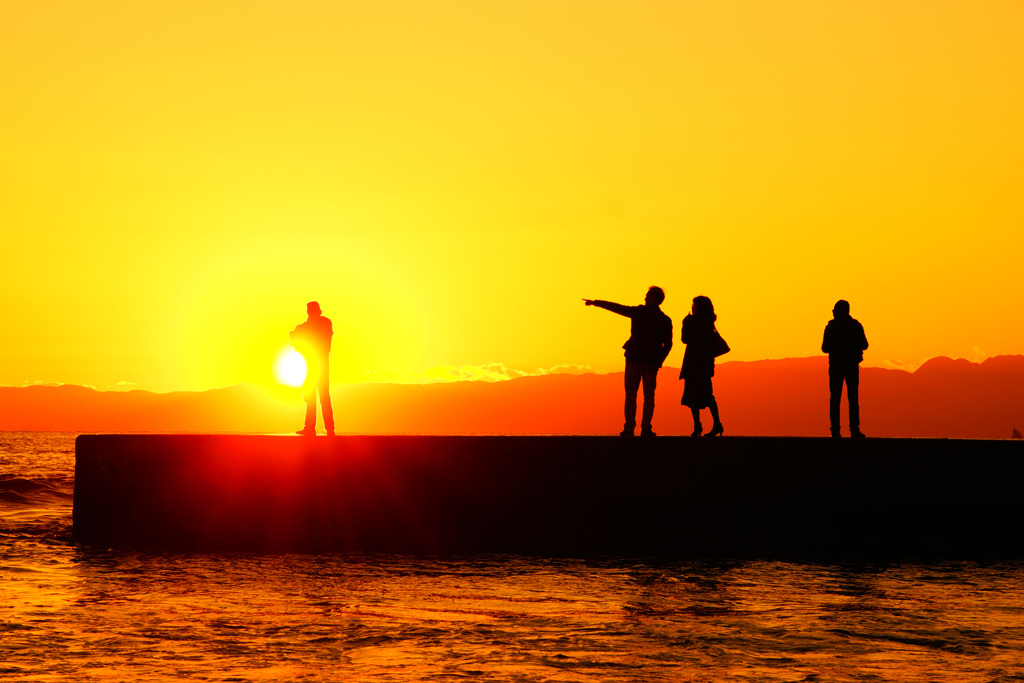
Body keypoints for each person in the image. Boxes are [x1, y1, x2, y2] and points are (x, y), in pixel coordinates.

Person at [584, 287, 673, 436]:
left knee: (631, 395)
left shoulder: (639, 312)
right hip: (651, 362)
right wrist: (659, 360)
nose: (644, 298)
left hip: (634, 359)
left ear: (653, 298)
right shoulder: (664, 320)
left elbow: (618, 308)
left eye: (647, 296)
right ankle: (646, 428)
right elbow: (668, 344)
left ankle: (629, 427)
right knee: (649, 396)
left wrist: (596, 303)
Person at [680, 296, 726, 437]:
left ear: (699, 307)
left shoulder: (693, 322)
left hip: (693, 363)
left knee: (692, 396)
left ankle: (697, 426)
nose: (692, 307)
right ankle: (716, 424)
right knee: (708, 395)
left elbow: (685, 339)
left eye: (694, 305)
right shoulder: (709, 323)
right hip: (705, 364)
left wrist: (685, 323)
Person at [822, 299, 868, 438]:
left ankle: (835, 431)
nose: (833, 312)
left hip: (836, 366)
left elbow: (824, 348)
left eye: (835, 310)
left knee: (835, 399)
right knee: (852, 398)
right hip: (851, 366)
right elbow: (865, 344)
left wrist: (837, 348)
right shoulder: (855, 326)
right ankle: (854, 430)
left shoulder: (831, 327)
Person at [290, 301, 334, 436]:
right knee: (314, 397)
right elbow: (294, 335)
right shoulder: (321, 323)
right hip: (315, 365)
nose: (308, 312)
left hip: (317, 365)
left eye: (309, 310)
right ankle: (314, 428)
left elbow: (295, 335)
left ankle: (324, 428)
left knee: (321, 397)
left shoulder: (323, 323)